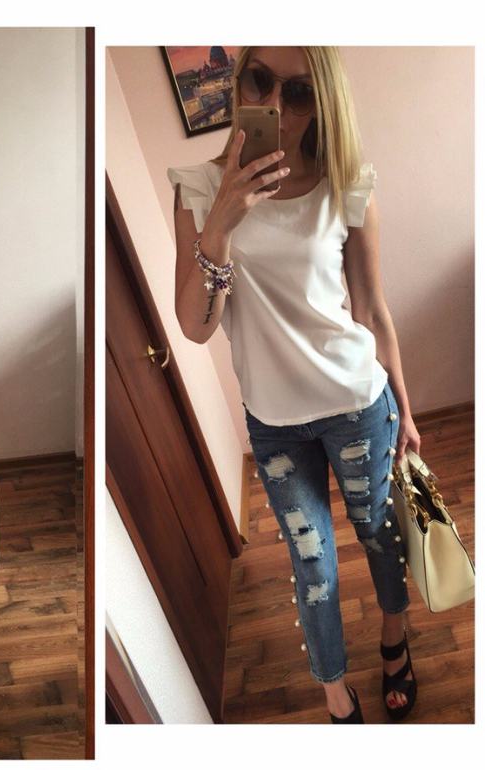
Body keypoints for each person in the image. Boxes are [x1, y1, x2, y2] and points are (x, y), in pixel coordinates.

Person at [168, 46, 421, 723]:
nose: (276, 104)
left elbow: (371, 310)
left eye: (300, 92)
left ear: (324, 103)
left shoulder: (347, 185)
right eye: (260, 80)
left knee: (377, 532)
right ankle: (335, 692)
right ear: (238, 81)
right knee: (313, 566)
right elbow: (194, 327)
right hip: (275, 422)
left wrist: (405, 406)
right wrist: (221, 224)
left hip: (357, 404)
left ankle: (394, 637)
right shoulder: (198, 189)